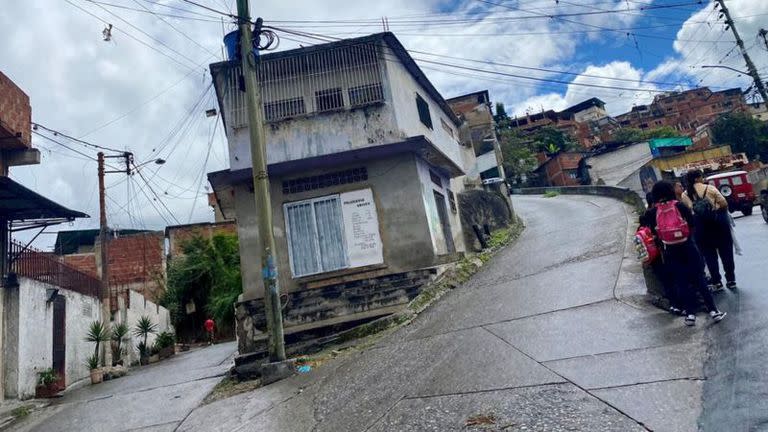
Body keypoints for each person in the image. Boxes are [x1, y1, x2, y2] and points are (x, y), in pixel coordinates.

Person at [641, 181, 726, 326]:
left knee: (681, 282)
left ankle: (690, 315)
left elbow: (652, 230)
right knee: (699, 279)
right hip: (688, 247)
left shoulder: (653, 212)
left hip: (670, 251)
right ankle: (713, 311)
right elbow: (692, 223)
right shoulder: (679, 206)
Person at [680, 170, 737, 291]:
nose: (703, 178)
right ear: (696, 178)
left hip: (701, 227)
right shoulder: (710, 188)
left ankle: (717, 282)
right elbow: (724, 203)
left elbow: (688, 211)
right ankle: (731, 280)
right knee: (726, 253)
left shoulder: (685, 194)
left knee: (709, 256)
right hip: (718, 224)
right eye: (701, 176)